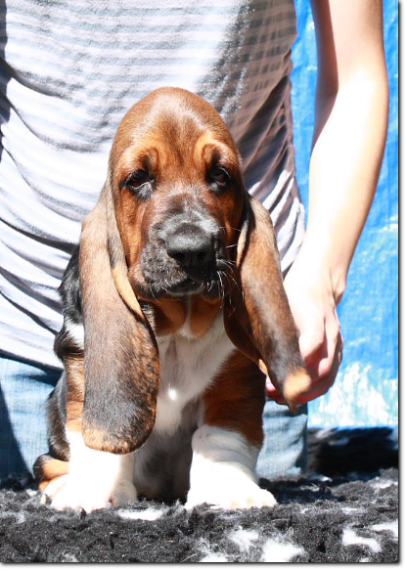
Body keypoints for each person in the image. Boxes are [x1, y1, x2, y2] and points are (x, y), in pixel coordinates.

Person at [0, 0, 388, 481]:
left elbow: (356, 76)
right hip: (34, 326)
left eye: (217, 173)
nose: (185, 240)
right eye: (141, 179)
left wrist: (319, 280)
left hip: (239, 333)